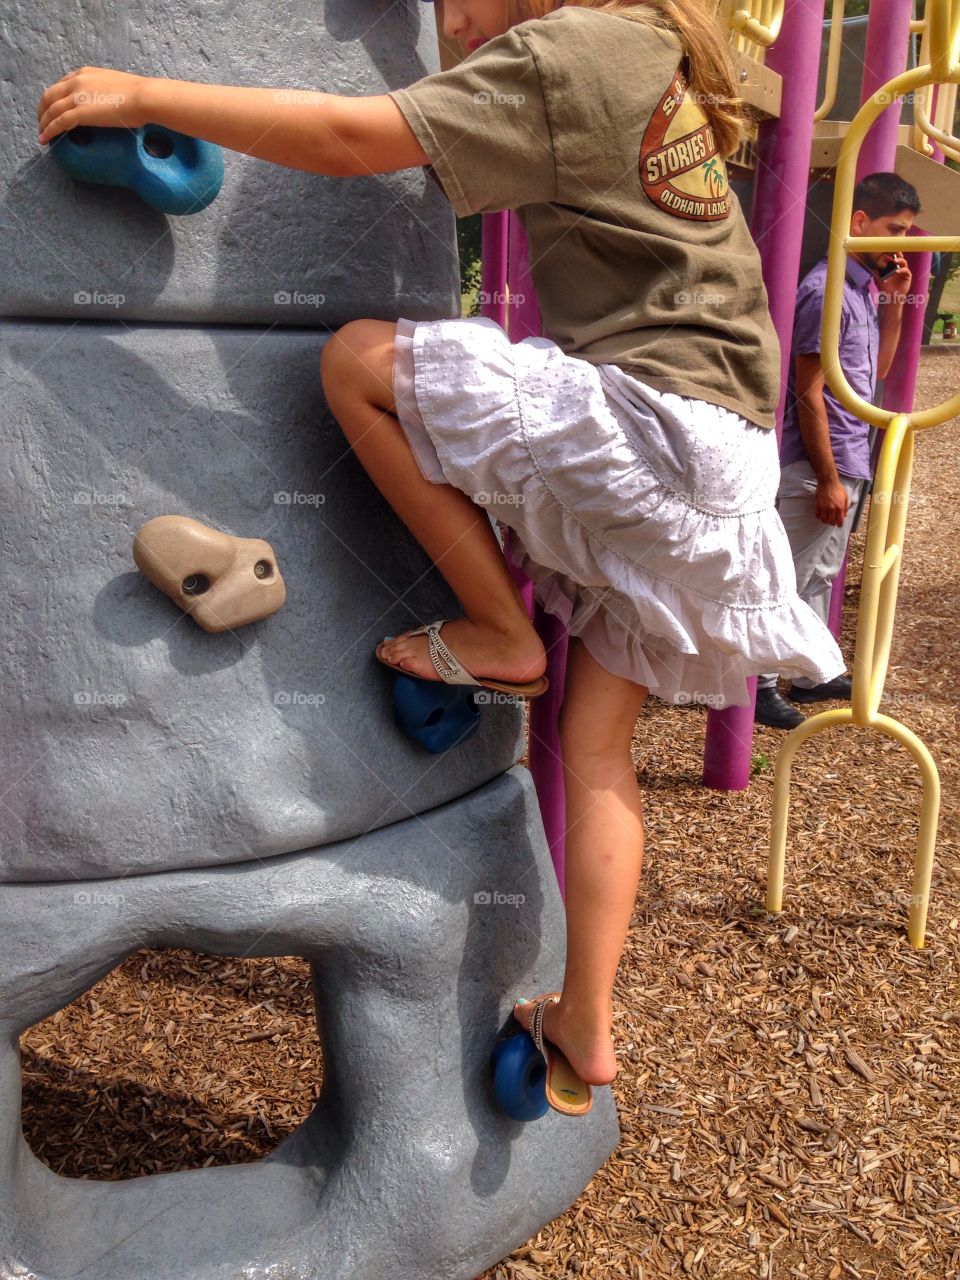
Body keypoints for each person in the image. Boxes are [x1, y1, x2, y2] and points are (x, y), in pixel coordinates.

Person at [38, 0, 845, 1115]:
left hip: (655, 430)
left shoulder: (569, 49)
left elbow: (349, 139)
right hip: (731, 467)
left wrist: (142, 93)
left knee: (359, 364)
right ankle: (586, 1022)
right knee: (597, 750)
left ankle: (499, 628)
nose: (448, 23)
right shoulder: (652, 53)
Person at [755, 172, 919, 730]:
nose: (899, 244)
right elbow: (808, 391)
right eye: (894, 230)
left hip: (848, 454)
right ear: (859, 223)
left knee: (821, 571)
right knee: (788, 573)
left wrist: (894, 306)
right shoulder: (824, 292)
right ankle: (758, 686)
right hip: (817, 461)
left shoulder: (860, 293)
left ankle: (809, 673)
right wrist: (825, 477)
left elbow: (875, 375)